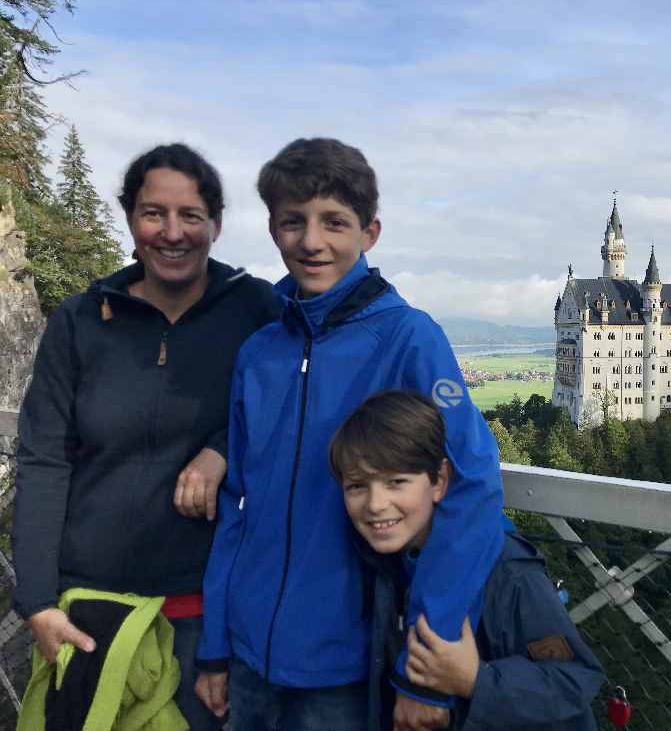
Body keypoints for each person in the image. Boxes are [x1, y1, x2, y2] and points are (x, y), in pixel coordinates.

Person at [195, 138, 505, 730]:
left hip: (347, 667)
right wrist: (215, 646)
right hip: (246, 659)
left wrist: (426, 672)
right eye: (293, 222)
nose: (311, 242)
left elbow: (471, 485)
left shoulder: (410, 339)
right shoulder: (260, 352)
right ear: (273, 229)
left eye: (334, 222)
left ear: (370, 232)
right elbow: (238, 502)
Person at [12, 143, 279, 730]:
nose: (172, 232)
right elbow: (43, 460)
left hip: (208, 617)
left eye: (191, 216)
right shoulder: (81, 321)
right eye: (154, 213)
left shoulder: (256, 310)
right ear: (131, 220)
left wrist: (223, 449)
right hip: (87, 612)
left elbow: (294, 409)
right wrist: (36, 602)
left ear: (216, 225)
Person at [330, 390, 605, 730]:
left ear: (440, 481)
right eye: (357, 486)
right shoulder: (384, 563)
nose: (375, 503)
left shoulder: (506, 571)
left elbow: (574, 679)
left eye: (396, 482)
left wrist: (476, 680)